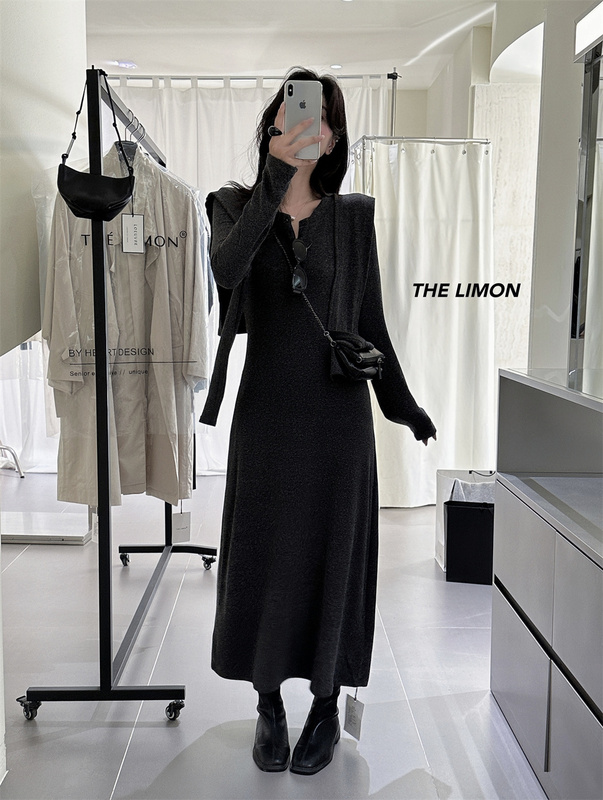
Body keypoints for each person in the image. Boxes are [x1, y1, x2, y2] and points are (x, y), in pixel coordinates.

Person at [200, 67, 436, 776]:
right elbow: (227, 274)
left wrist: (402, 404)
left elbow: (370, 322)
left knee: (333, 561)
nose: (307, 124)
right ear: (273, 122)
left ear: (334, 138)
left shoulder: (353, 217)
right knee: (264, 558)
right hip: (266, 417)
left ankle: (326, 704)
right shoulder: (231, 203)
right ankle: (268, 702)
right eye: (293, 110)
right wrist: (275, 179)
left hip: (338, 422)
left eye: (321, 116)